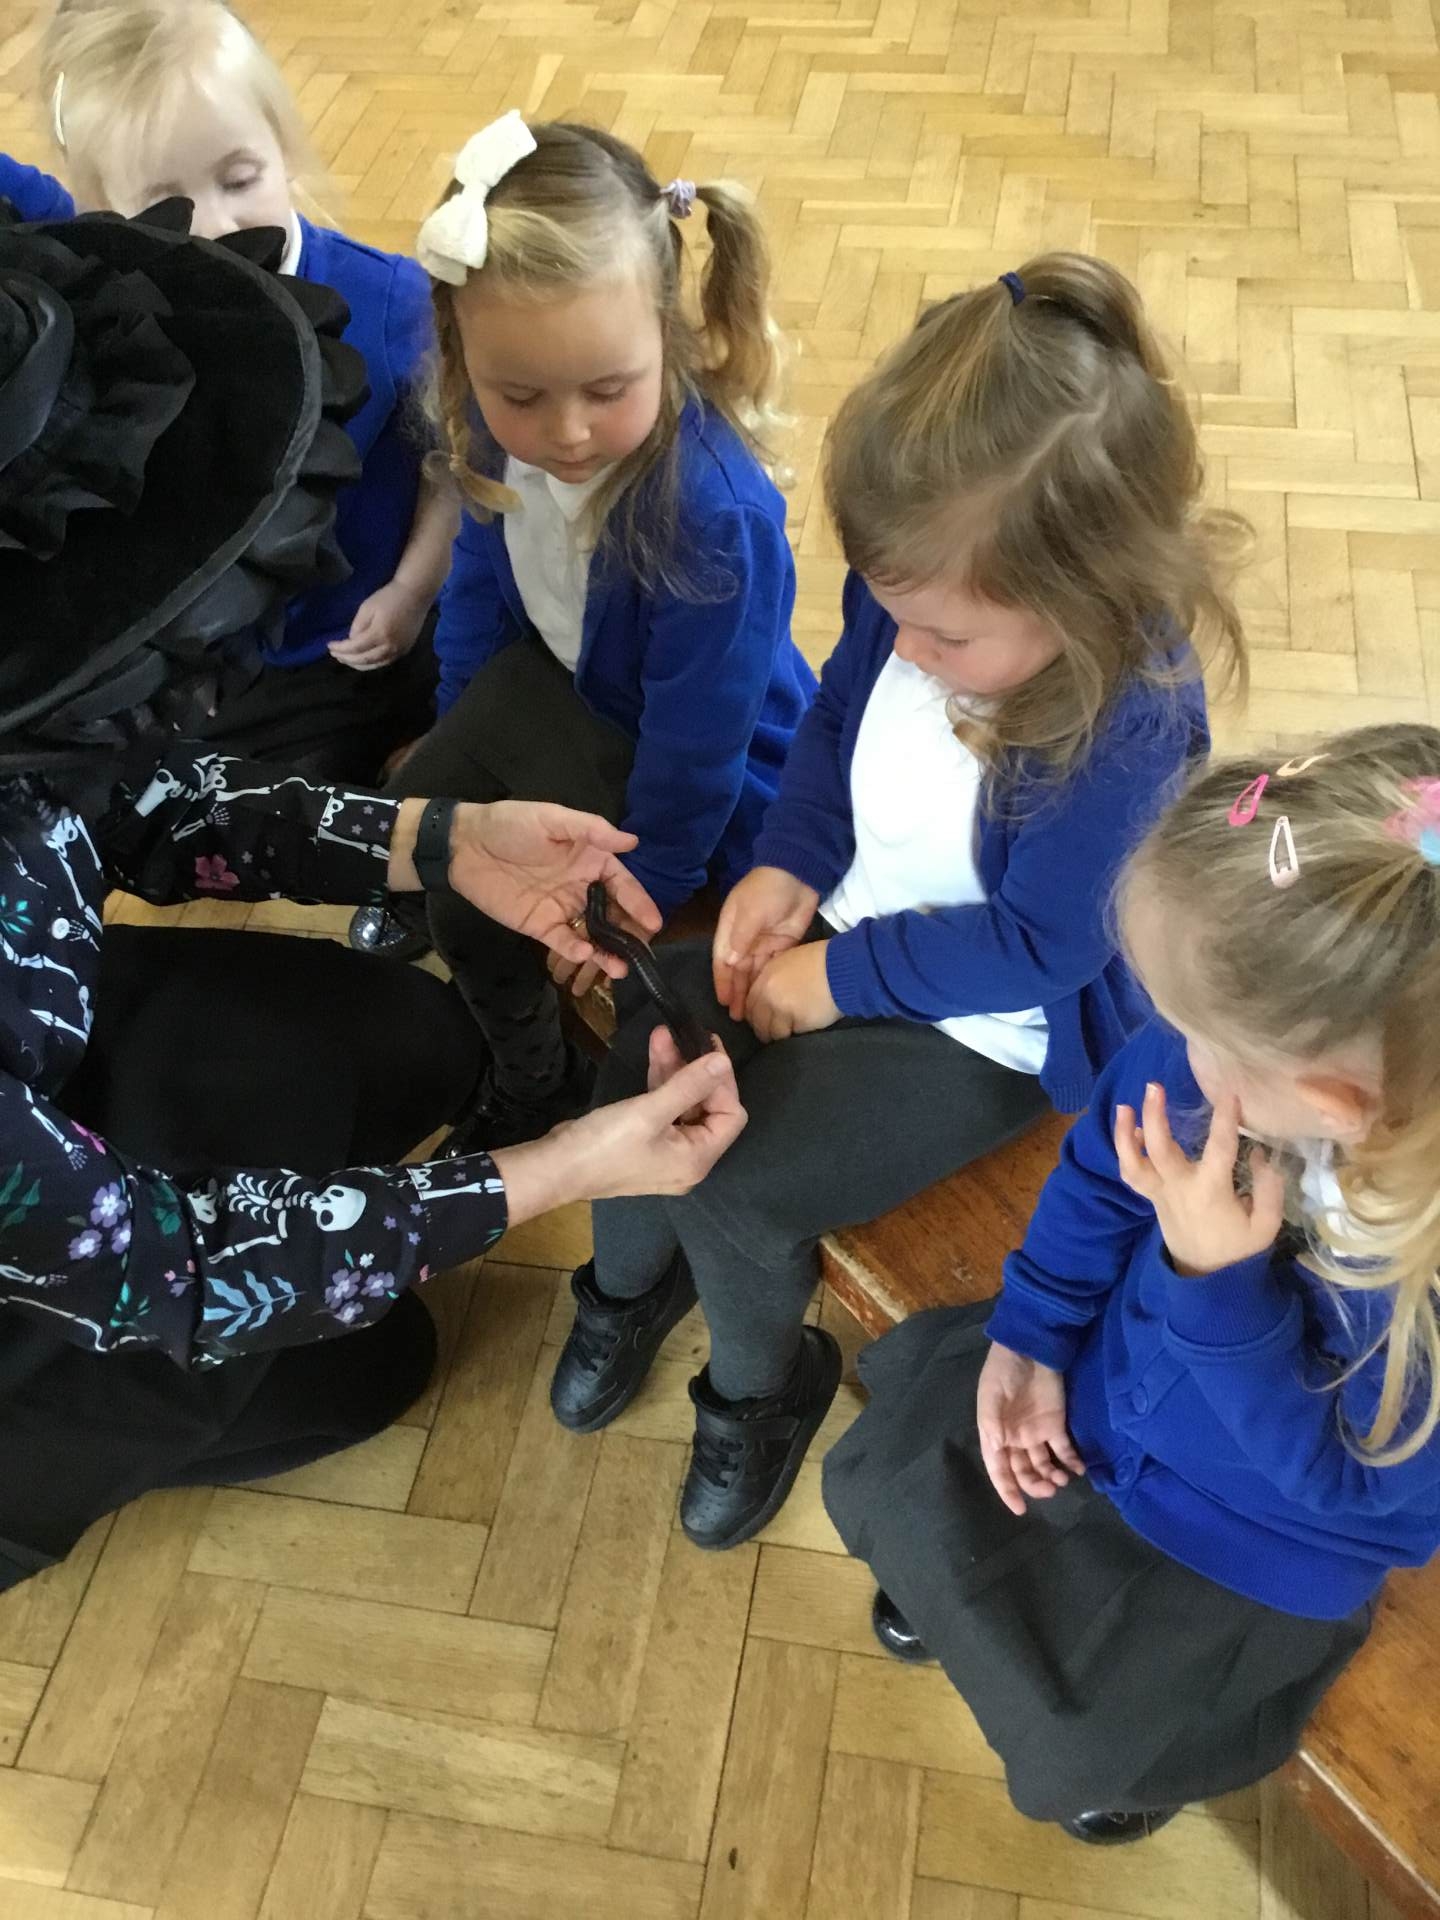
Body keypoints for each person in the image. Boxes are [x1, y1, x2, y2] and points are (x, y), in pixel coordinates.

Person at [0, 199, 744, 1592]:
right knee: (369, 1367)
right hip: (55, 1276)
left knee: (412, 1051)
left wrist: (438, 840)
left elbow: (135, 804)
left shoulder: (31, 727)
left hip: (54, 1073)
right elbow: (169, 1270)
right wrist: (563, 1171)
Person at [554, 253, 1251, 1552]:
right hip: (850, 930)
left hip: (986, 1027)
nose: (910, 652)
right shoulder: (931, 587)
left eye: (945, 639)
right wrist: (789, 864)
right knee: (646, 1044)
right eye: (893, 616)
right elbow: (833, 720)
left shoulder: (1130, 724)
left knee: (742, 1186)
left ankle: (759, 1392)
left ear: (1086, 594)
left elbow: (1039, 945)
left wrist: (835, 978)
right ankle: (626, 1285)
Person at [823, 727, 1440, 1845]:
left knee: (1091, 1728)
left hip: (1252, 1542)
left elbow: (1356, 1494)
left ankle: (1117, 1756)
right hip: (1110, 1383)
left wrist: (1216, 1280)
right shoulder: (1233, 1053)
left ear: (1334, 1106)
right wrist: (1033, 1332)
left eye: (1191, 1033)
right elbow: (1105, 1169)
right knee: (908, 1486)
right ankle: (962, 1604)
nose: (1168, 1047)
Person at [347, 112, 815, 1153]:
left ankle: (534, 1079)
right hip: (564, 698)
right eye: (520, 394)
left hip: (698, 782)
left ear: (667, 339)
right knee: (429, 826)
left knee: (480, 899)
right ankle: (509, 1033)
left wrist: (648, 890)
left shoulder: (712, 515)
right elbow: (478, 595)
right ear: (464, 359)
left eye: (607, 391)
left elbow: (699, 751)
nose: (564, 433)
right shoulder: (487, 431)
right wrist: (454, 736)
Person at [37, 0, 456, 784]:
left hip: (361, 643)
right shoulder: (125, 321)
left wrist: (412, 588)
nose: (217, 225)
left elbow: (452, 471)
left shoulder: (393, 303)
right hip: (216, 658)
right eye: (167, 204)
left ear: (284, 148)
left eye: (240, 179)